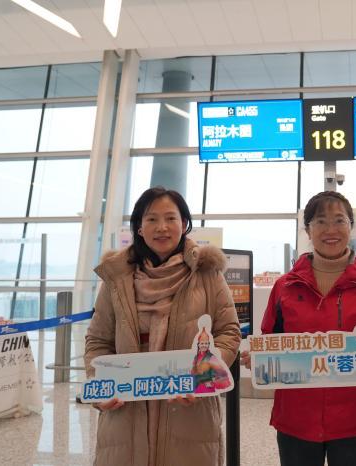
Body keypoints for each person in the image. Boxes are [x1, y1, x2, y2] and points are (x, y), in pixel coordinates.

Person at [85, 186, 241, 466]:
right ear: (139, 227)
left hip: (190, 412)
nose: (162, 227)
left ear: (184, 224)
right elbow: (98, 341)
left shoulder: (207, 273)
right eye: (152, 219)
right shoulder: (117, 278)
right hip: (125, 415)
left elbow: (228, 332)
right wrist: (100, 386)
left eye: (171, 218)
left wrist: (202, 380)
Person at [243, 191, 356, 466]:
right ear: (308, 230)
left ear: (350, 226)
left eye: (339, 220)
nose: (330, 230)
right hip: (296, 417)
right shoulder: (285, 286)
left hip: (355, 418)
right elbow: (270, 338)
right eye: (320, 222)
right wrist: (259, 357)